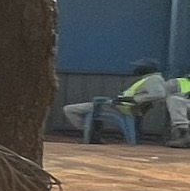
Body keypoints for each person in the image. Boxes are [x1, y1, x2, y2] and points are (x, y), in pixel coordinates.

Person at [61, 59, 189, 145]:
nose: (136, 69)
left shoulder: (153, 79)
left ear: (146, 69)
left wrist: (131, 99)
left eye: (139, 67)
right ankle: (92, 132)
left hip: (120, 108)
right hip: (120, 106)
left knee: (69, 109)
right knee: (82, 110)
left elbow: (158, 94)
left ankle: (90, 132)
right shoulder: (151, 79)